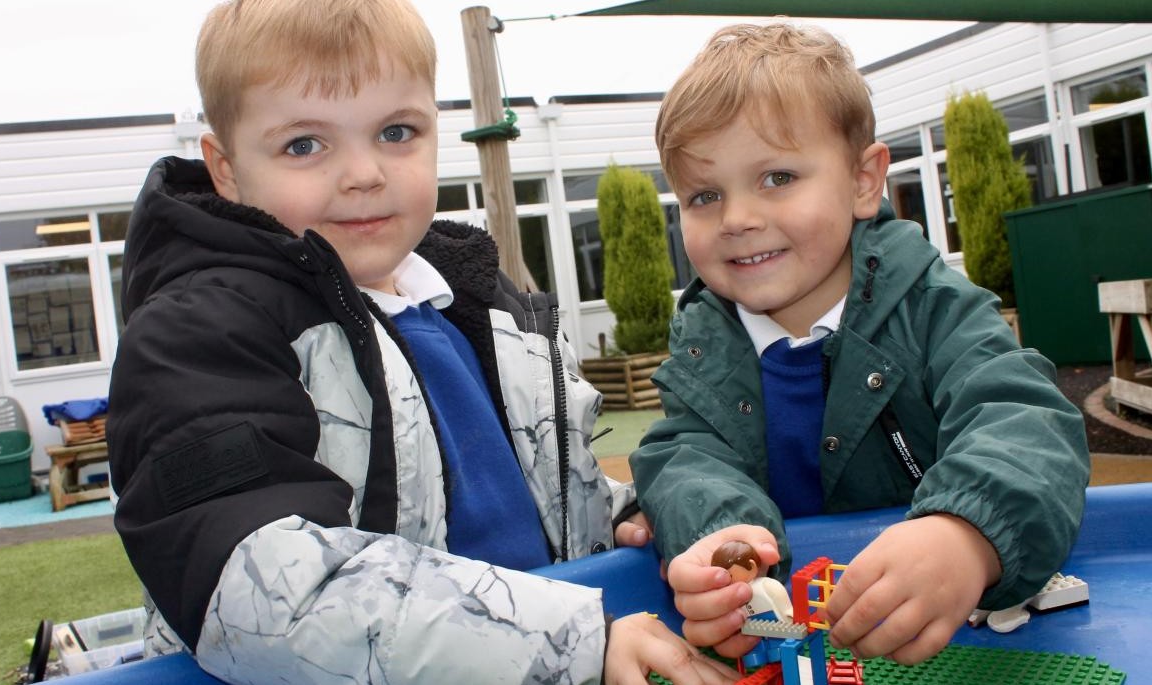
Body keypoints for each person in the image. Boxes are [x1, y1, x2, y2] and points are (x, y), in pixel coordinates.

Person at [107, 1, 738, 683]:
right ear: (225, 167)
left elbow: (533, 496)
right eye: (304, 145)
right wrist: (572, 642)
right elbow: (265, 592)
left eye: (397, 131)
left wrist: (639, 518)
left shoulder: (479, 307)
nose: (363, 173)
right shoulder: (200, 336)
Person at [629, 21, 1091, 668]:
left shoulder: (931, 308)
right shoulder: (704, 350)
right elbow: (684, 459)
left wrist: (967, 533)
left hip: (963, 638)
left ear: (863, 181)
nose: (736, 218)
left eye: (777, 177)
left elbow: (1025, 416)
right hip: (801, 651)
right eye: (705, 195)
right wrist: (723, 544)